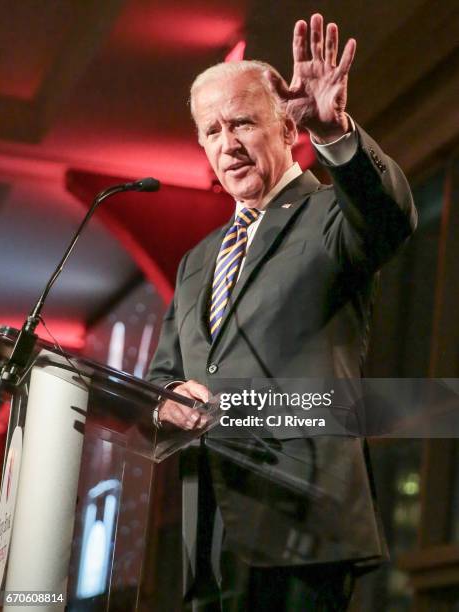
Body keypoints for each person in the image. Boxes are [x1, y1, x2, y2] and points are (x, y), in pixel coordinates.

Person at [147, 13, 417, 612]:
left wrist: (337, 133)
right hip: (209, 528)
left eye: (241, 122)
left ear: (287, 126)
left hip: (304, 523)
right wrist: (164, 399)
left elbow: (390, 217)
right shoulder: (198, 261)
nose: (228, 144)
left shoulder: (328, 215)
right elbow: (162, 374)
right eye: (212, 131)